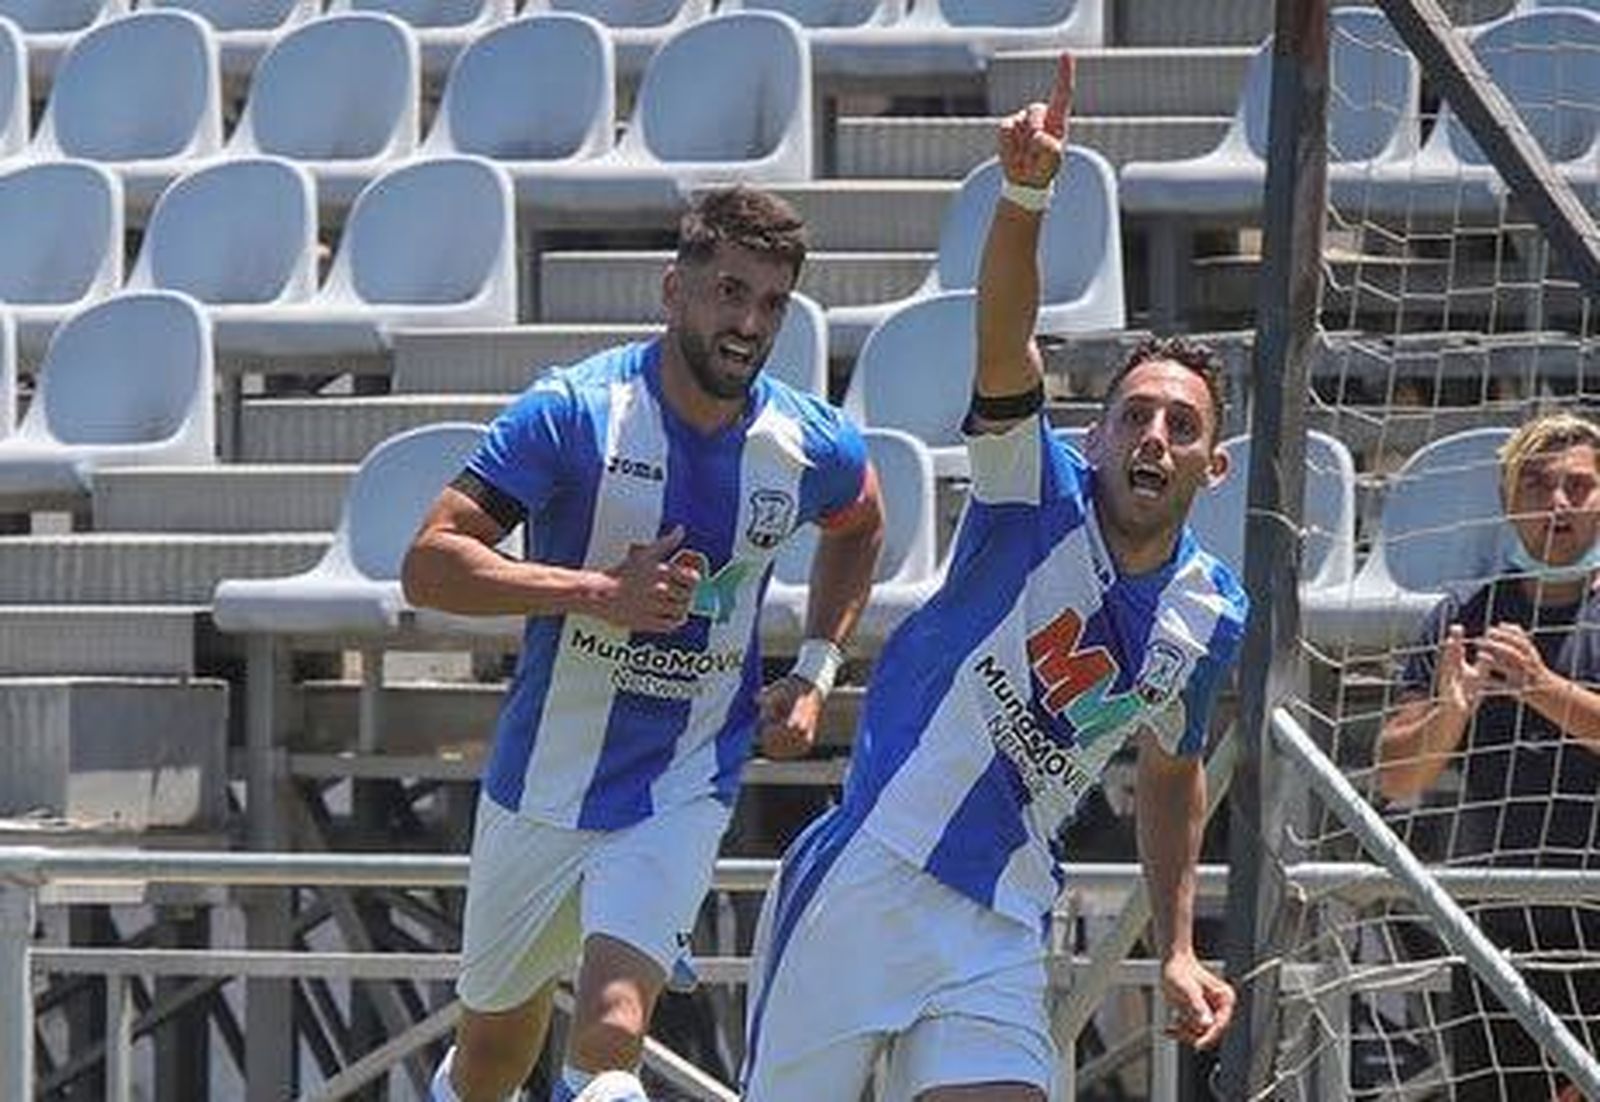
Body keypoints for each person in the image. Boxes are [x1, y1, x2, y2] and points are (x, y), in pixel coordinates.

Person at [740, 55, 1249, 1102]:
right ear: (1097, 433)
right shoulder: (1032, 490)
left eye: (1181, 424)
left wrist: (1181, 943)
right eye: (1133, 414)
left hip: (1003, 913)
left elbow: (1168, 767)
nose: (1152, 434)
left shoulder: (1210, 616)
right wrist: (1024, 196)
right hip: (872, 875)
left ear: (1213, 462)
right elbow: (1003, 337)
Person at [402, 186, 886, 1102]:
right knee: (489, 1069)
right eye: (731, 292)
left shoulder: (803, 442)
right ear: (674, 291)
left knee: (612, 1024)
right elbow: (429, 564)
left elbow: (860, 522)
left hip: (682, 782)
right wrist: (597, 593)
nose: (749, 323)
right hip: (541, 785)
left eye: (773, 303)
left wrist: (817, 670)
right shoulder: (572, 413)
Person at [1376, 412, 1600, 1102]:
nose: (1556, 504)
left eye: (1579, 486)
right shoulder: (1460, 621)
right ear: (1508, 502)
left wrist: (1542, 688)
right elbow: (1395, 775)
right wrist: (1454, 709)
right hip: (1496, 941)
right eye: (1536, 486)